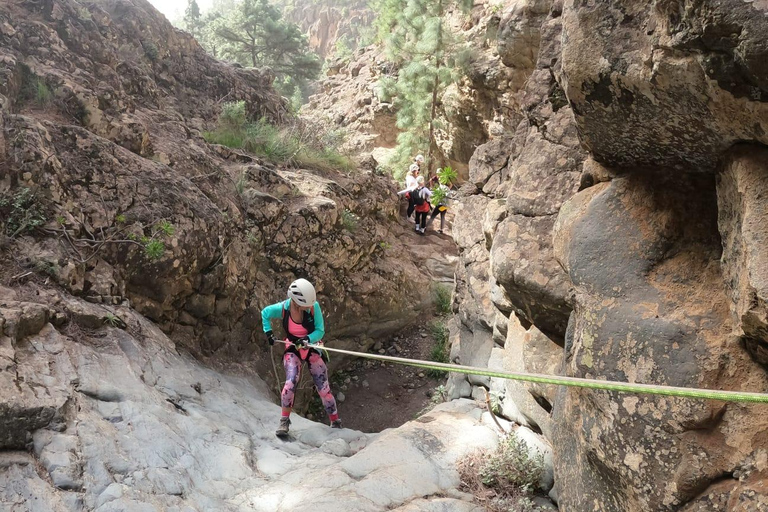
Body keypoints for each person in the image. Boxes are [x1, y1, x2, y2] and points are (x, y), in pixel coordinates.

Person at [261, 278, 342, 436]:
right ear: (297, 302)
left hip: (312, 346)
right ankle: (284, 421)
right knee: (291, 381)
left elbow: (320, 330)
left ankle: (335, 421)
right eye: (307, 304)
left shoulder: (314, 307)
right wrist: (268, 332)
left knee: (323, 387)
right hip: (293, 347)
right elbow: (265, 313)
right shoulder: (283, 309)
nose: (310, 306)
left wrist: (307, 340)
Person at [396, 155, 424, 220]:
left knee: (413, 204)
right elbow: (409, 188)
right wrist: (399, 193)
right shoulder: (411, 178)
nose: (418, 172)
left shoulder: (412, 176)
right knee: (412, 204)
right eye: (417, 171)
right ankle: (409, 216)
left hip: (412, 192)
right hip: (411, 193)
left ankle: (410, 215)